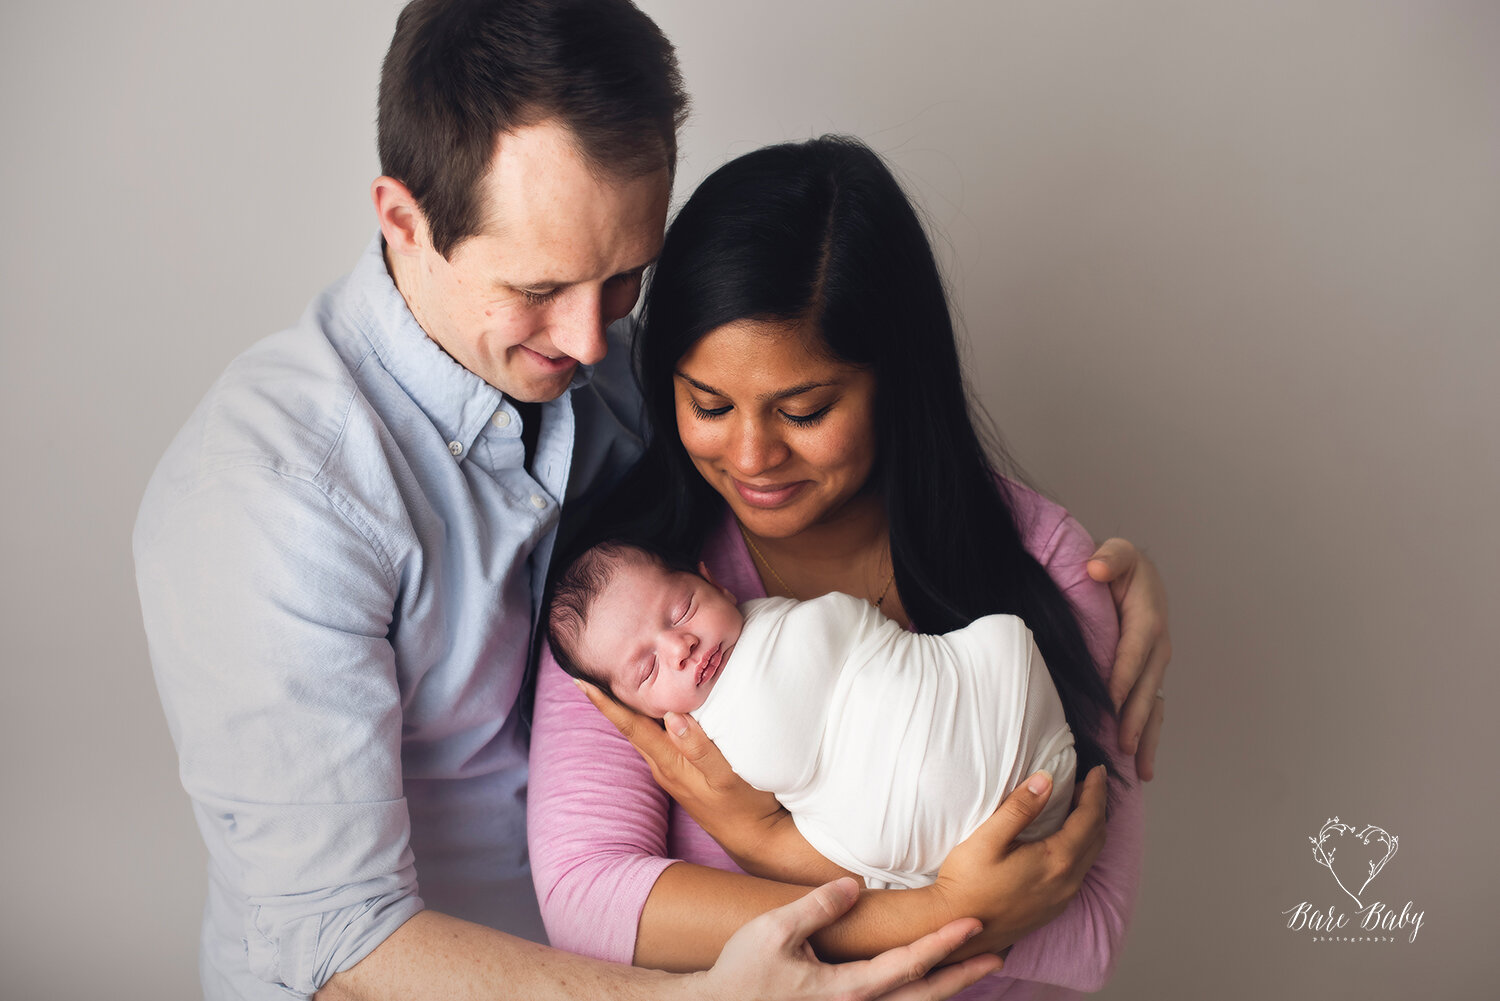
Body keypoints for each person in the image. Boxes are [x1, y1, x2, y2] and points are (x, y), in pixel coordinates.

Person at [133, 1, 1168, 998]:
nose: (590, 343)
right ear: (404, 219)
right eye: (539, 288)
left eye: (626, 277)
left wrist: (1092, 578)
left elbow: (865, 443)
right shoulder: (271, 498)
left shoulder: (638, 384)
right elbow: (334, 933)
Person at [527, 135, 1146, 995]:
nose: (749, 455)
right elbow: (588, 897)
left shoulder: (1044, 565)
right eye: (708, 403)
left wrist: (765, 852)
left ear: (894, 380)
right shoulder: (633, 595)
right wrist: (932, 913)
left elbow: (1088, 931)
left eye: (805, 409)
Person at [545, 539, 1079, 889]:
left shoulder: (772, 620)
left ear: (713, 581)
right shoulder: (700, 741)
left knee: (1001, 639)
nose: (680, 645)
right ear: (640, 712)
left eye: (682, 609)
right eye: (647, 669)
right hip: (937, 846)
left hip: (1004, 712)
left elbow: (837, 631)